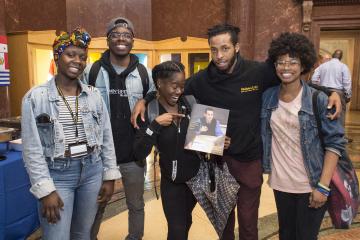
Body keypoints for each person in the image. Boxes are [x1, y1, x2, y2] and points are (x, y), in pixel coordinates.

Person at [131, 24, 342, 240]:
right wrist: (145, 99)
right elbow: (171, 87)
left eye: (225, 48)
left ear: (237, 47)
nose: (219, 55)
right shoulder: (201, 80)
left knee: (249, 225)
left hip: (250, 161)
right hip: (218, 163)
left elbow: (291, 78)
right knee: (224, 226)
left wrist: (331, 91)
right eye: (214, 50)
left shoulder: (258, 72)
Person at [21, 28, 120, 240]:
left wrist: (110, 175)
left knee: (82, 234)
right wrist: (46, 190)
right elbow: (31, 150)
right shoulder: (35, 98)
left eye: (82, 57)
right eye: (70, 54)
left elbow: (106, 137)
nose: (77, 61)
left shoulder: (94, 96)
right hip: (58, 175)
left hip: (92, 171)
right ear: (57, 57)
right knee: (57, 236)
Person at [261, 32, 346, 240]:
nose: (286, 67)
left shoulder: (318, 99)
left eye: (292, 62)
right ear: (274, 65)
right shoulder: (268, 96)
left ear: (303, 65)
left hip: (311, 184)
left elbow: (335, 144)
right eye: (281, 62)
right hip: (281, 184)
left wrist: (323, 187)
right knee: (286, 235)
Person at [81, 17, 155, 240]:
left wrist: (145, 99)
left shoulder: (144, 72)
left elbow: (158, 91)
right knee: (97, 205)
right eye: (116, 34)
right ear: (108, 39)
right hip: (100, 155)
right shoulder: (92, 71)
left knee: (136, 204)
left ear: (133, 40)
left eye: (126, 35)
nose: (121, 39)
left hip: (132, 153)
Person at [133, 61, 201, 240]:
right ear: (160, 84)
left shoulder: (191, 103)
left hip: (195, 181)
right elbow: (139, 152)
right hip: (172, 183)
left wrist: (219, 140)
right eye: (174, 86)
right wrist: (155, 125)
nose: (179, 91)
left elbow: (205, 135)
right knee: (177, 230)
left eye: (182, 86)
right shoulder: (150, 111)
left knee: (186, 223)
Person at [311, 49, 352, 127]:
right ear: (341, 57)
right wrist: (348, 95)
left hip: (323, 91)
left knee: (324, 112)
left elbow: (314, 79)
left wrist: (319, 87)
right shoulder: (343, 66)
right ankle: (339, 136)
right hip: (338, 93)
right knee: (340, 113)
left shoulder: (322, 66)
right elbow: (347, 82)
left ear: (332, 55)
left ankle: (325, 133)